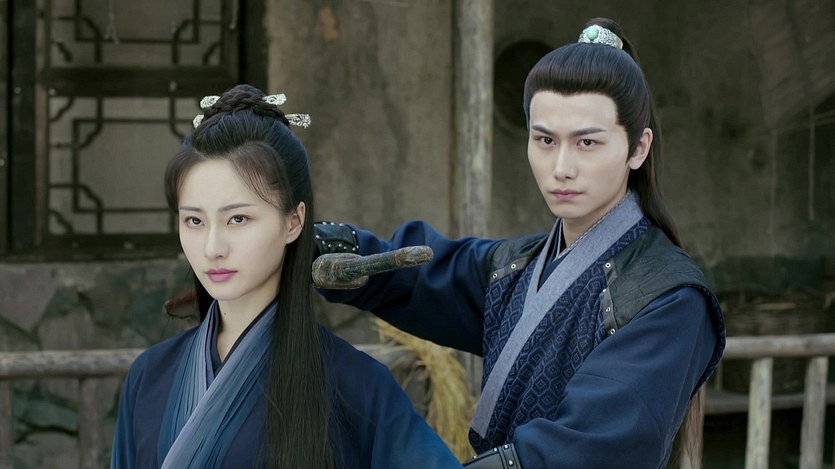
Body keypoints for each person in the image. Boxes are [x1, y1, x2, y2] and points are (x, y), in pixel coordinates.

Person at [315, 18, 725, 469]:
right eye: (545, 140)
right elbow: (420, 277)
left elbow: (586, 448)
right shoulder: (518, 268)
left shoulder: (670, 298)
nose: (561, 167)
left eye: (587, 143)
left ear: (638, 148)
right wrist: (319, 248)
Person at [110, 84, 464, 469]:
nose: (212, 247)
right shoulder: (149, 377)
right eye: (194, 221)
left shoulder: (357, 387)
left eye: (238, 219)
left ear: (294, 221)